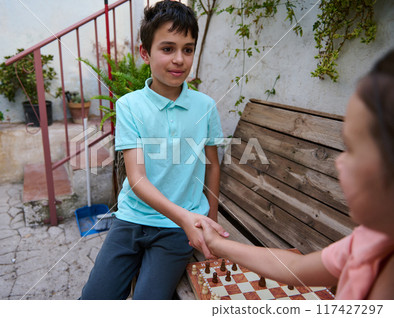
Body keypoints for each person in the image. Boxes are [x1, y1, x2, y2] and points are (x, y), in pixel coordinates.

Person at [199, 49, 394, 300]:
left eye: (353, 150)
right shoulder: (367, 241)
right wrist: (218, 245)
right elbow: (296, 268)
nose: (339, 162)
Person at [80, 0, 228, 300]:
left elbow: (212, 165)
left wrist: (207, 221)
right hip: (131, 219)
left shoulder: (205, 106)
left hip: (177, 230)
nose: (179, 59)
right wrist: (186, 218)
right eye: (168, 48)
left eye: (188, 49)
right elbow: (136, 178)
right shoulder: (129, 106)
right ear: (145, 53)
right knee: (94, 299)